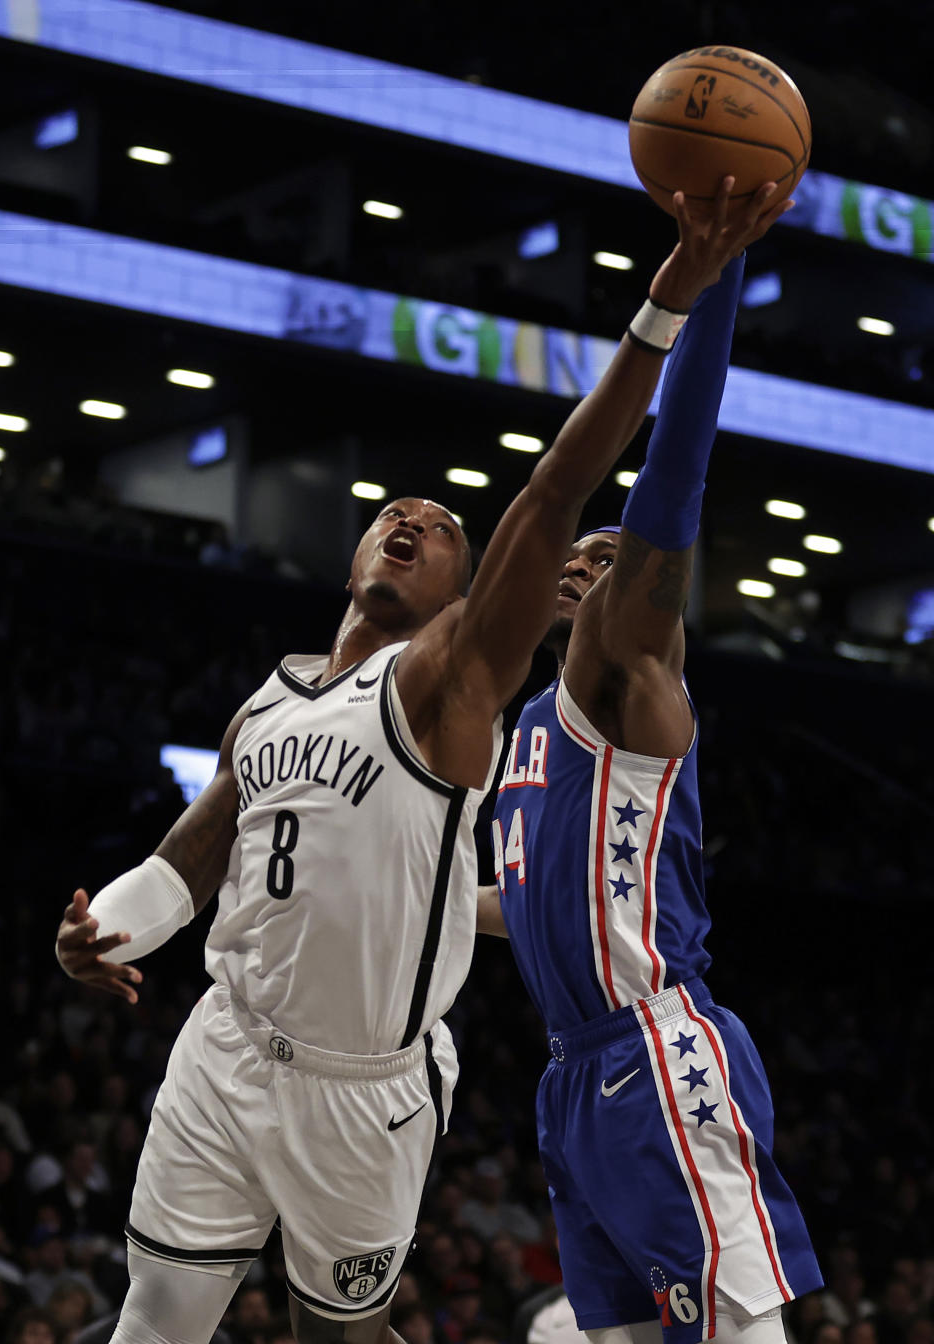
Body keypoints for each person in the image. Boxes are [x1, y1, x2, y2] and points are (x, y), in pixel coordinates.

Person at [55, 179, 783, 1344]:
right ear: (352, 552)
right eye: (394, 509)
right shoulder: (275, 696)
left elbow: (561, 495)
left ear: (478, 596)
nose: (413, 518)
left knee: (346, 1332)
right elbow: (199, 851)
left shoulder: (452, 682)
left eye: (444, 528)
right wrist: (109, 930)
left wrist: (671, 302)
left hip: (378, 1085)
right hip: (227, 1039)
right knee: (155, 1317)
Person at [477, 190, 821, 1344]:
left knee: (732, 1334)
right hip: (572, 1079)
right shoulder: (519, 727)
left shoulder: (624, 674)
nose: (591, 562)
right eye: (578, 553)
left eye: (615, 558)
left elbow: (673, 472)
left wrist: (707, 280)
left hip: (655, 1050)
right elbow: (518, 904)